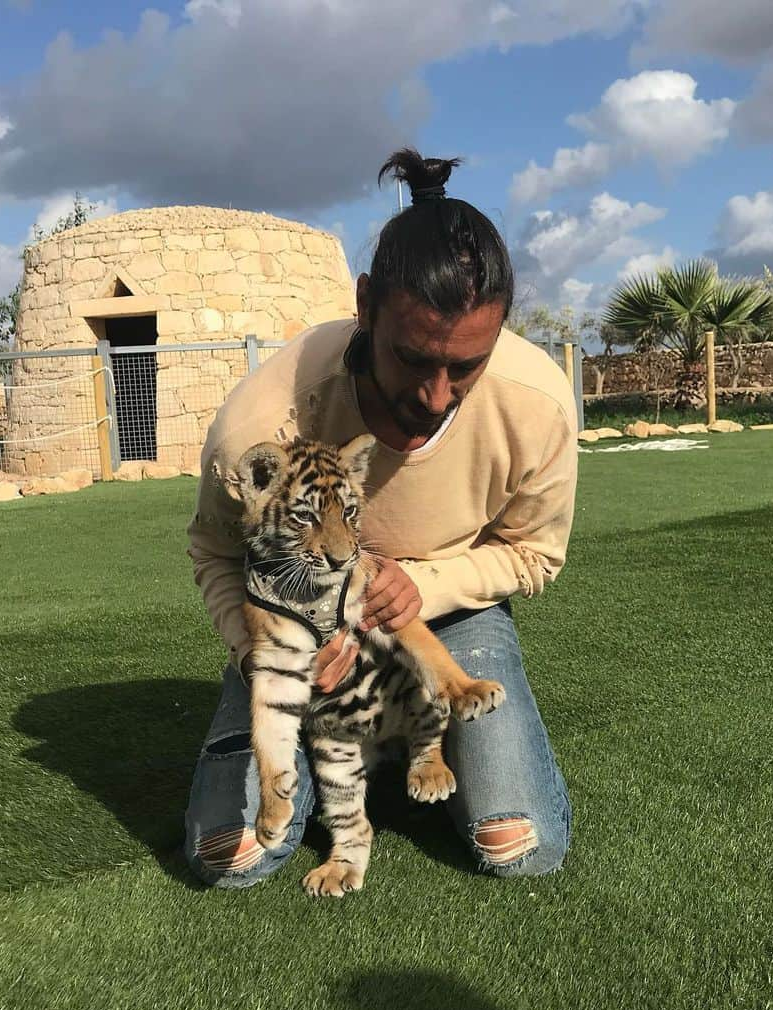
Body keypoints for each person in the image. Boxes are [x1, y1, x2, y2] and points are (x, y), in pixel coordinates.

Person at [182, 148, 578, 888]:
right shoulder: (258, 427)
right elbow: (212, 550)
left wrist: (422, 586)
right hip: (294, 616)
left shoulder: (538, 403)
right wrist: (252, 651)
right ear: (364, 304)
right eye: (414, 358)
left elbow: (534, 555)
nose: (436, 396)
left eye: (466, 366)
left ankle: (405, 750)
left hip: (445, 613)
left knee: (515, 846)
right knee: (228, 858)